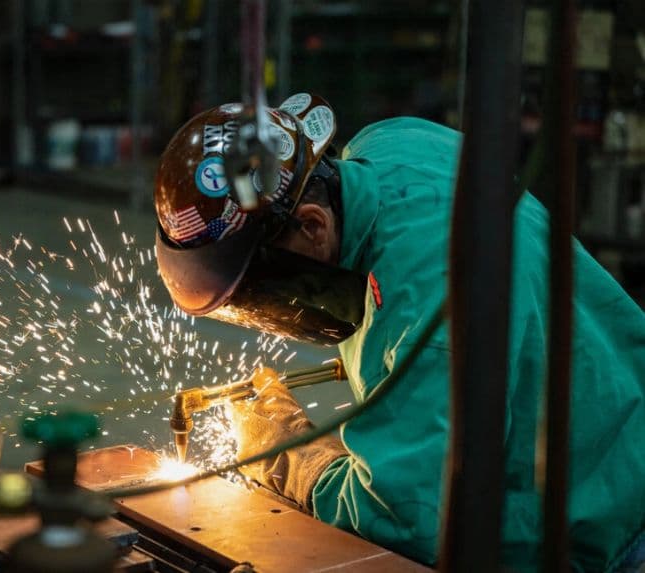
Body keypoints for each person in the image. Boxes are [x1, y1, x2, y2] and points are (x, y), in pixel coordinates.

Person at [152, 94, 645, 572]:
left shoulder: (423, 329)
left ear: (313, 224)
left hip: (604, 524)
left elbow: (400, 522)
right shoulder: (393, 142)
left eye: (261, 291)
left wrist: (290, 458)